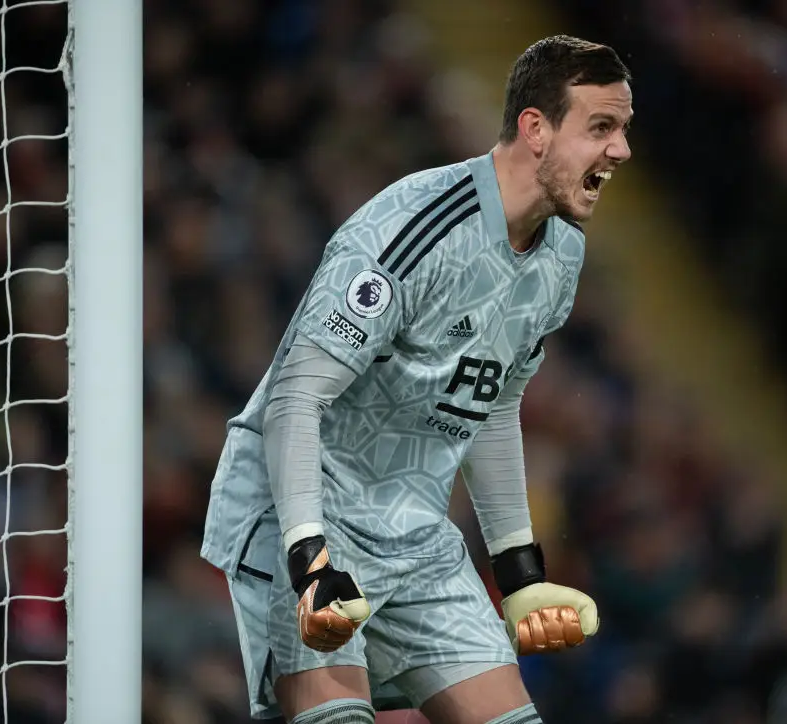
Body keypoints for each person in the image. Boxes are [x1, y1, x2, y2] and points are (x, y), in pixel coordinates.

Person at [201, 35, 634, 724]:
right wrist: (310, 558)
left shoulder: (561, 259)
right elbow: (295, 398)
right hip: (305, 507)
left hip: (414, 532)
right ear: (536, 130)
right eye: (601, 128)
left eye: (623, 130)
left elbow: (491, 407)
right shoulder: (415, 228)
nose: (621, 151)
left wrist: (518, 572)